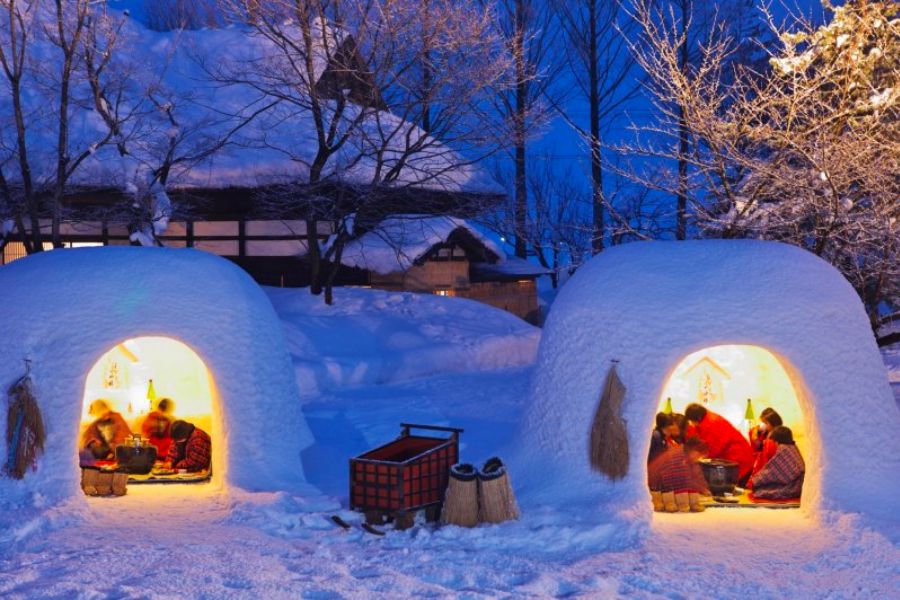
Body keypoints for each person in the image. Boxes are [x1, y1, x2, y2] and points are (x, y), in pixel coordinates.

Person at [684, 403, 754, 485]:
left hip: (739, 459)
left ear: (697, 418)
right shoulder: (707, 418)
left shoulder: (711, 424)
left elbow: (712, 449)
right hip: (737, 457)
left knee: (732, 490)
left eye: (692, 421)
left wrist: (696, 459)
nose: (692, 424)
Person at [648, 436, 711, 512]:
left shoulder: (687, 457)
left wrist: (704, 489)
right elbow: (680, 482)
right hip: (654, 492)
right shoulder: (677, 458)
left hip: (664, 491)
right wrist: (699, 490)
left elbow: (696, 474)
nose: (699, 458)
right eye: (699, 455)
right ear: (693, 450)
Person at [750, 426, 805, 500]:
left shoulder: (783, 450)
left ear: (776, 440)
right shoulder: (792, 447)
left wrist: (756, 480)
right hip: (799, 484)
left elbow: (772, 471)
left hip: (793, 485)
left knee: (761, 490)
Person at [748, 408, 783, 483]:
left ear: (772, 423)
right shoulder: (766, 432)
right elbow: (760, 447)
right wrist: (756, 436)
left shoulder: (778, 433)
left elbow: (769, 452)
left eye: (765, 422)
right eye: (762, 422)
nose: (763, 424)